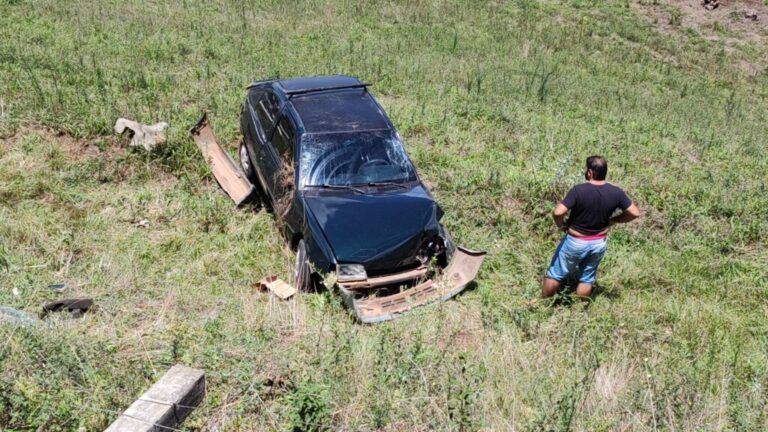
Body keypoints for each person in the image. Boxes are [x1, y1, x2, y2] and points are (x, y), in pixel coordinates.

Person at [542, 156, 640, 298]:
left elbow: (558, 212)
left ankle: (542, 304)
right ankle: (580, 311)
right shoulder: (616, 192)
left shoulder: (578, 190)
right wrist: (614, 220)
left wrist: (561, 225)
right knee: (586, 279)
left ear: (590, 172)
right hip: (598, 243)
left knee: (555, 274)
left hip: (575, 241)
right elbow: (635, 213)